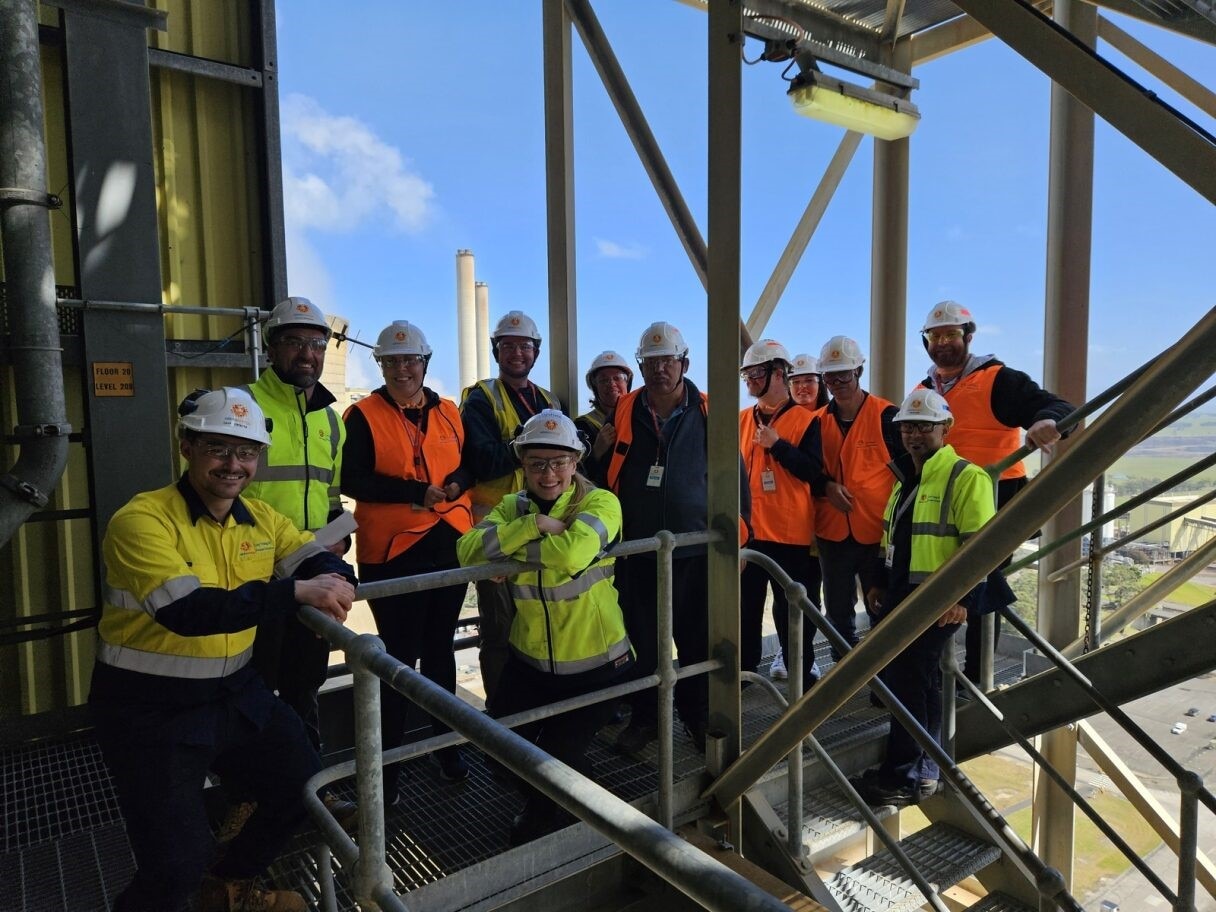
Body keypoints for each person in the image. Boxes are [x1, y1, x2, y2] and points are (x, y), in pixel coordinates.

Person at [90, 387, 356, 912]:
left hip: (234, 692)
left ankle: (229, 888)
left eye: (247, 452)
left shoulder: (260, 520)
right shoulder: (141, 521)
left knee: (304, 787)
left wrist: (330, 576)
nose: (234, 465)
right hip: (151, 709)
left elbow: (321, 559)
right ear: (187, 447)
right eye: (218, 448)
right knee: (174, 866)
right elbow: (187, 613)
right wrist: (298, 591)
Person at [457, 410, 632, 845]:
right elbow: (466, 553)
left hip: (596, 664)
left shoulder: (601, 502)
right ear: (522, 464)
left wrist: (509, 556)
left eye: (559, 462)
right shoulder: (514, 508)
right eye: (536, 463)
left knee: (551, 759)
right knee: (499, 753)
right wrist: (533, 525)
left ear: (576, 462)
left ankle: (539, 822)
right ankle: (579, 788)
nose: (548, 473)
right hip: (529, 661)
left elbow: (573, 557)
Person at [596, 321, 748, 754]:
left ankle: (696, 717)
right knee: (642, 639)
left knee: (696, 639)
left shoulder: (709, 410)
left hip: (694, 551)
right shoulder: (626, 408)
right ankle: (647, 719)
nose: (659, 369)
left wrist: (737, 537)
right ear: (640, 365)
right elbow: (608, 470)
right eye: (650, 361)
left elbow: (734, 479)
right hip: (638, 551)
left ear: (684, 363)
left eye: (667, 360)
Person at [342, 321, 475, 790]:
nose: (402, 369)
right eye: (392, 361)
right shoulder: (362, 416)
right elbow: (352, 480)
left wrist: (457, 484)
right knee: (396, 657)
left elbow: (466, 461)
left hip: (448, 543)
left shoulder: (449, 413)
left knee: (440, 650)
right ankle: (389, 769)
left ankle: (445, 747)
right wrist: (416, 491)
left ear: (424, 363)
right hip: (393, 551)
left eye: (410, 360)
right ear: (380, 365)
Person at [241, 296, 355, 828]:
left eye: (316, 344)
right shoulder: (243, 406)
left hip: (313, 574)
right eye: (295, 342)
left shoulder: (331, 420)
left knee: (303, 688)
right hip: (254, 578)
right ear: (272, 346)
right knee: (251, 694)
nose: (308, 354)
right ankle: (248, 799)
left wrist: (338, 541)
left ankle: (313, 792)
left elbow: (330, 497)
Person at [850, 390, 995, 807]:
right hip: (903, 596)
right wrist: (878, 583)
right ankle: (921, 770)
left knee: (912, 684)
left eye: (924, 426)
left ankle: (908, 775)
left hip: (936, 602)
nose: (914, 434)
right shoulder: (906, 480)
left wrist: (963, 598)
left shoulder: (965, 477)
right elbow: (889, 541)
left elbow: (983, 546)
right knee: (918, 684)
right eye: (908, 426)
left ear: (944, 429)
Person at [917, 301, 1072, 687]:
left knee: (980, 585)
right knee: (941, 580)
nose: (943, 343)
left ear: (968, 337)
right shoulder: (924, 388)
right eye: (935, 336)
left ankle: (977, 675)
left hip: (993, 496)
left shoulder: (998, 379)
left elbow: (1056, 406)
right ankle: (938, 669)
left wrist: (1046, 422)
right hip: (941, 498)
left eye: (951, 334)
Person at [460, 310, 561, 714]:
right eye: (508, 346)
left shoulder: (549, 400)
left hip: (542, 526)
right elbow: (481, 459)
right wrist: (530, 449)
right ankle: (503, 717)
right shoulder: (481, 397)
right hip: (498, 528)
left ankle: (537, 705)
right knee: (500, 627)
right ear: (496, 351)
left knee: (539, 615)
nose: (517, 353)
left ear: (536, 352)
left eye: (525, 346)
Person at [808, 336, 904, 659]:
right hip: (832, 533)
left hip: (876, 534)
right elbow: (807, 471)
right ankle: (844, 674)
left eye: (844, 375)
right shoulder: (816, 422)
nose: (837, 383)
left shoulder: (888, 417)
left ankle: (885, 679)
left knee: (882, 608)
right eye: (830, 377)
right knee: (837, 611)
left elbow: (911, 474)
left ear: (859, 371)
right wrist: (827, 487)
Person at [738, 340, 821, 693]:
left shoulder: (806, 420)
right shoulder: (741, 420)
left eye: (757, 373)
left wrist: (778, 446)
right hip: (749, 535)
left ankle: (800, 678)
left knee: (793, 616)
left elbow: (815, 473)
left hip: (792, 538)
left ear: (778, 373)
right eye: (748, 374)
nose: (751, 380)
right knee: (744, 612)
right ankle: (742, 676)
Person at [574, 350, 632, 476]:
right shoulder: (582, 426)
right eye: (603, 380)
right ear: (595, 387)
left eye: (617, 378)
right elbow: (575, 473)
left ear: (627, 383)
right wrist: (596, 451)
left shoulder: (642, 418)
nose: (611, 384)